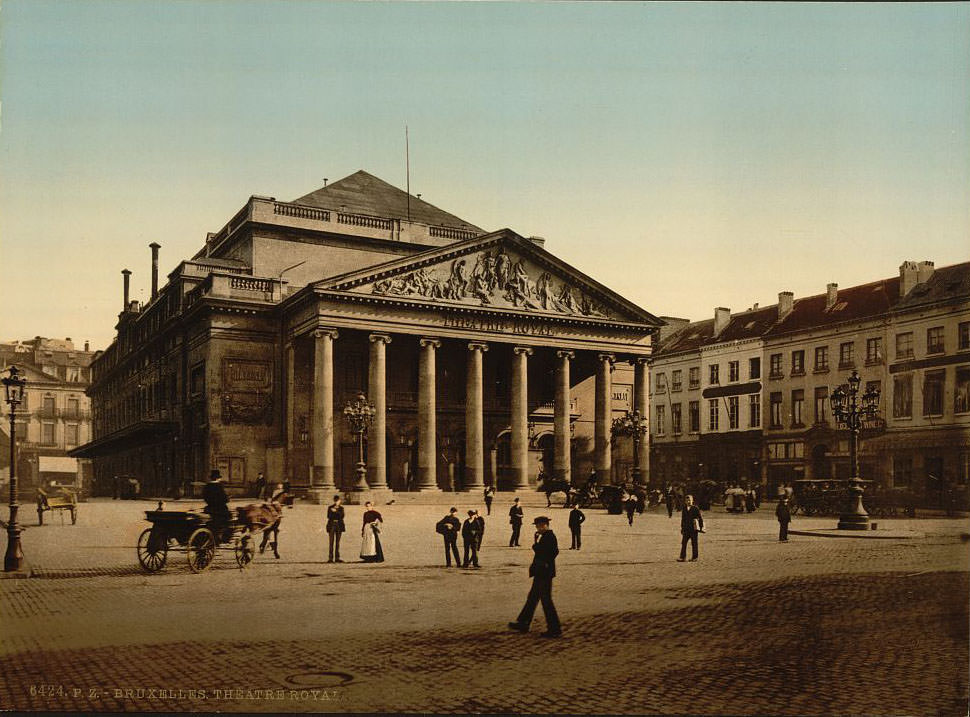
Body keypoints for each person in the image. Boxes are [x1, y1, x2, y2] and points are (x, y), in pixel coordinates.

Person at [508, 516, 561, 638]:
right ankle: (523, 622)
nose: (537, 528)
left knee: (546, 601)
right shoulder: (547, 536)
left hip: (544, 573)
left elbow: (552, 552)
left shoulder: (549, 537)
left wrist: (536, 545)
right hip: (541, 572)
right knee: (532, 598)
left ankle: (554, 628)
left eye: (538, 526)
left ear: (544, 525)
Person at [202, 469, 232, 541]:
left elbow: (205, 497)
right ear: (218, 478)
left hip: (209, 508)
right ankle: (225, 537)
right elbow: (223, 498)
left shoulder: (207, 486)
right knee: (230, 518)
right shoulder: (219, 486)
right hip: (220, 509)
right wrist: (228, 499)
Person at [677, 494, 704, 562]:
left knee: (694, 543)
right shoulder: (684, 508)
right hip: (686, 529)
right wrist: (682, 528)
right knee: (684, 543)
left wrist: (701, 527)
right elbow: (683, 519)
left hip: (693, 529)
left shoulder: (695, 508)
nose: (688, 502)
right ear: (685, 501)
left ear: (692, 501)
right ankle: (682, 557)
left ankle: (695, 557)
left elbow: (700, 518)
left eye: (690, 500)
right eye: (687, 500)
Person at [326, 494, 345, 562]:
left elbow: (342, 516)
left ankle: (337, 557)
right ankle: (330, 558)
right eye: (336, 501)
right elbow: (329, 516)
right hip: (332, 525)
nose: (337, 502)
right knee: (331, 542)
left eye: (338, 501)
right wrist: (334, 512)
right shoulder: (330, 507)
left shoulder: (341, 508)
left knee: (337, 542)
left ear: (340, 501)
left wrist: (336, 511)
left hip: (339, 525)